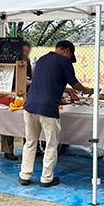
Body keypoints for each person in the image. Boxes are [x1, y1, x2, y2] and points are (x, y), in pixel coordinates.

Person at [18, 40, 93, 188]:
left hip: (30, 106)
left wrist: (65, 90)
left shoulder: (41, 60)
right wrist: (88, 91)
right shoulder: (65, 62)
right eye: (70, 55)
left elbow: (46, 82)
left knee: (30, 141)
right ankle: (46, 178)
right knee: (51, 144)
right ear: (66, 51)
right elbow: (75, 84)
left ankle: (25, 175)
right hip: (48, 108)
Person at [0, 41, 33, 161]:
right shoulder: (5, 60)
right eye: (23, 51)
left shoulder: (27, 63)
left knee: (9, 124)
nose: (25, 54)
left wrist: (26, 83)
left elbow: (28, 79)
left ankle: (8, 150)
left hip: (16, 97)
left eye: (27, 51)